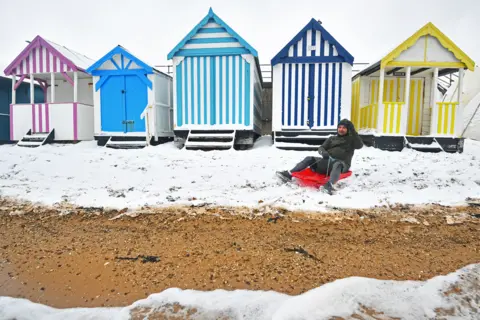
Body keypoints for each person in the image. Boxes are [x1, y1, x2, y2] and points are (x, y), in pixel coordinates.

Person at [276, 119, 363, 194]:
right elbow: (321, 148)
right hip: (327, 162)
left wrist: (353, 131)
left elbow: (360, 145)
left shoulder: (352, 140)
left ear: (348, 129)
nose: (341, 129)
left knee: (337, 164)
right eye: (339, 127)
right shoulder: (332, 138)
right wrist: (323, 153)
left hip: (341, 165)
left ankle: (329, 185)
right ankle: (289, 174)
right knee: (309, 158)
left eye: (344, 128)